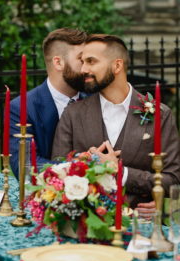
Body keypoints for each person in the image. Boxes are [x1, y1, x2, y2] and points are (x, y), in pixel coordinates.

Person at [52, 34, 180, 209]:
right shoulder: (73, 113)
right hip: (84, 223)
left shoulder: (161, 115)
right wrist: (82, 163)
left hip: (140, 226)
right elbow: (56, 168)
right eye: (82, 62)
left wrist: (122, 173)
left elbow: (173, 181)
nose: (83, 69)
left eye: (91, 61)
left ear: (117, 65)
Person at [10, 28, 87, 179]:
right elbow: (25, 166)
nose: (87, 67)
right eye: (81, 60)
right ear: (58, 62)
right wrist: (79, 169)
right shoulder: (22, 108)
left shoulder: (95, 98)